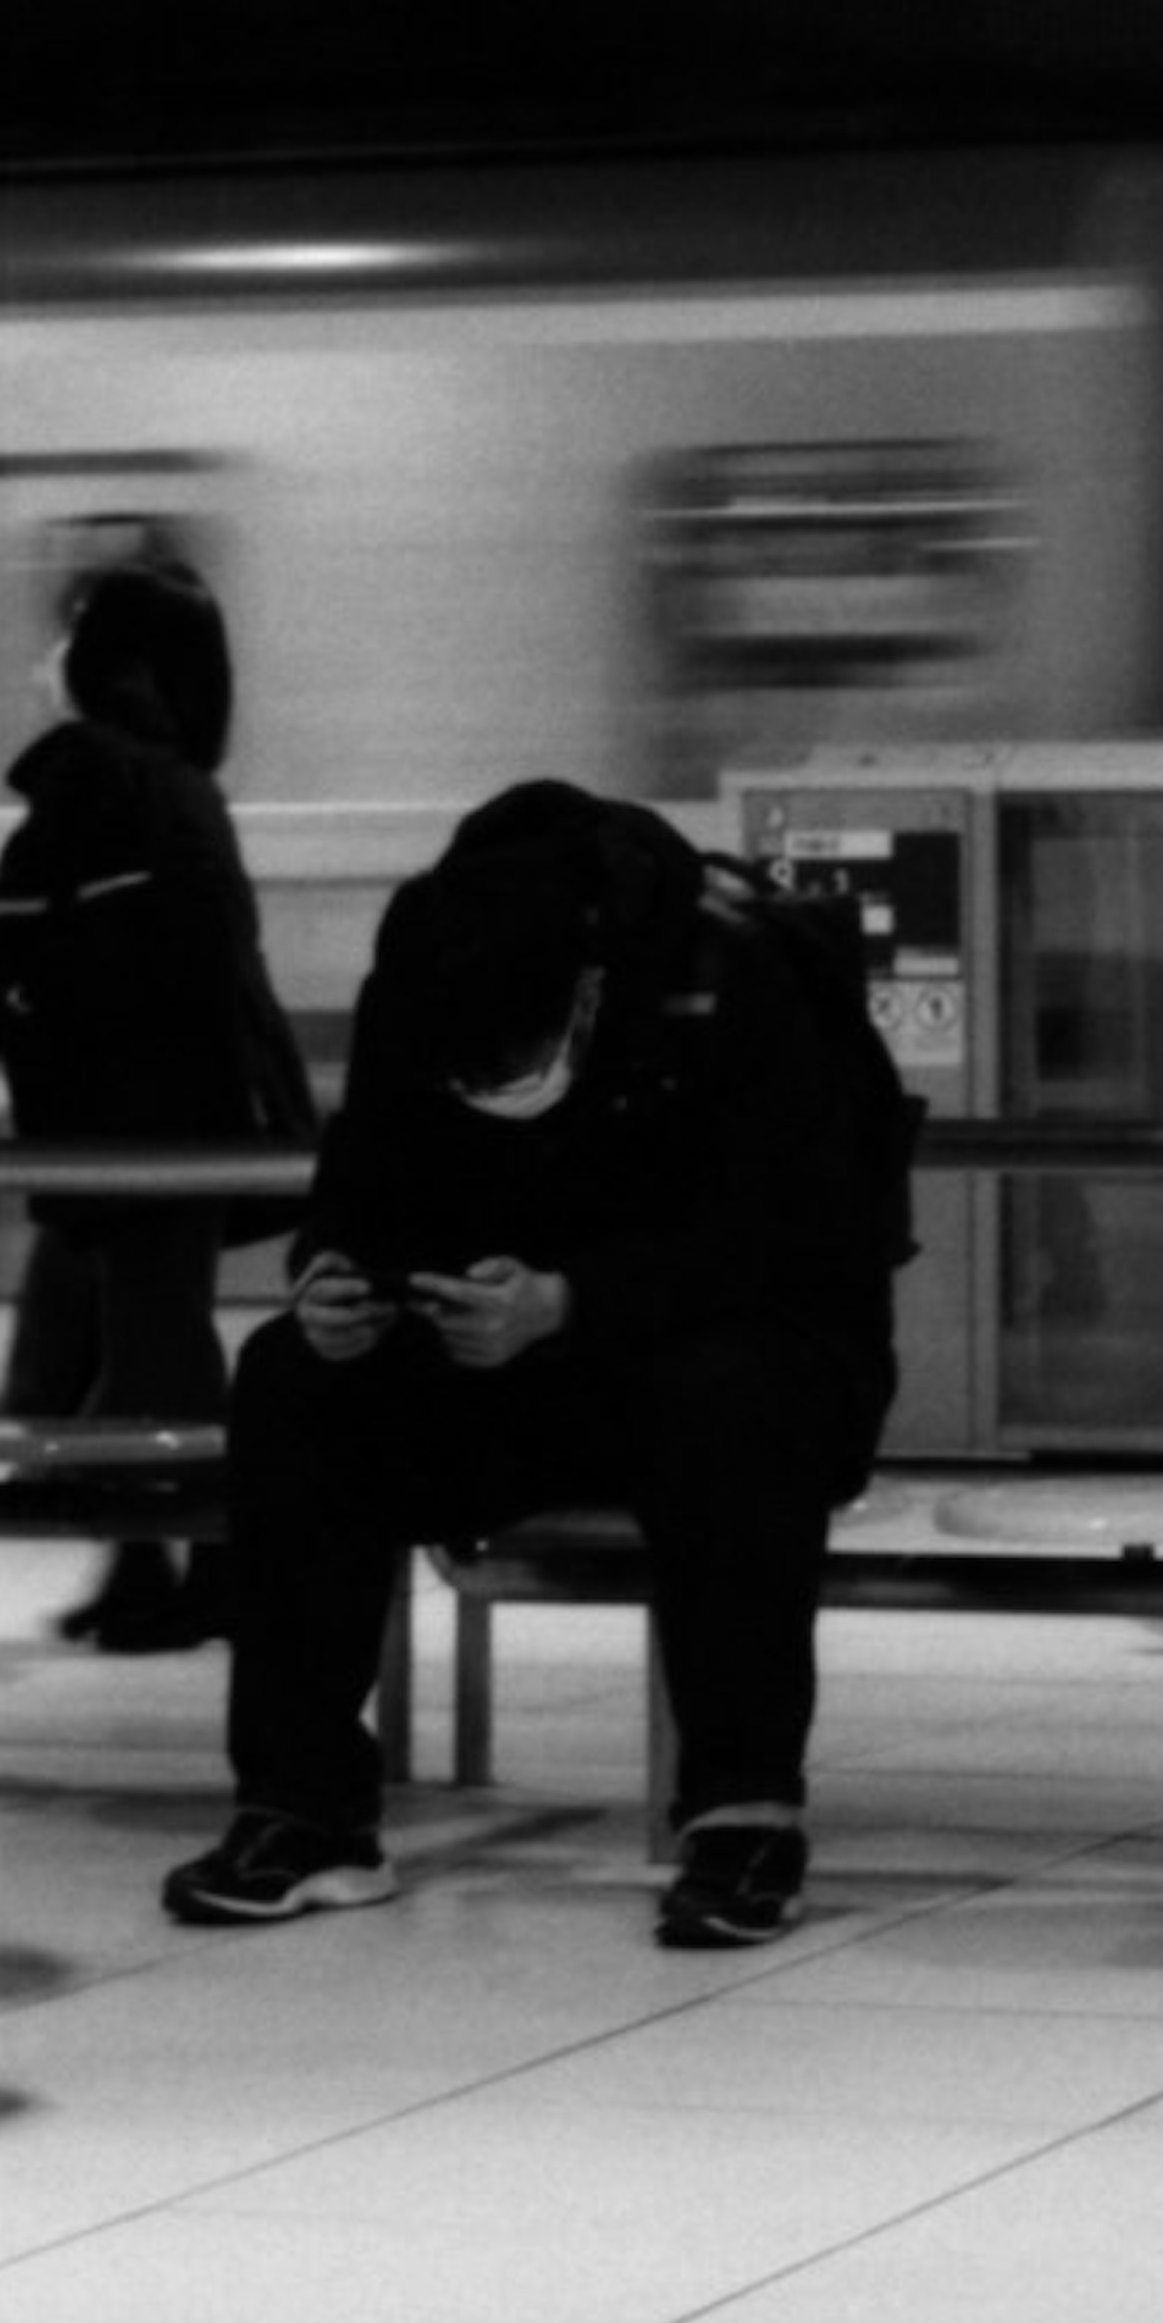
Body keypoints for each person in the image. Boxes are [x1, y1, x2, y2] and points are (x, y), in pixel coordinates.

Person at [164, 774, 893, 1950]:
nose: (486, 1088)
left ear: (591, 985)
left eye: (510, 1060)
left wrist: (574, 1301)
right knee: (295, 1381)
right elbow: (362, 1182)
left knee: (731, 1398)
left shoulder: (736, 973)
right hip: (504, 1354)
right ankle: (303, 1810)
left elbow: (805, 1239)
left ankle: (743, 1818)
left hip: (742, 1345)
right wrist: (334, 1279)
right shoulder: (429, 970)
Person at [0, 555, 308, 1653]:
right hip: (176, 1123)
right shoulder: (184, 789)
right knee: (104, 1342)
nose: (47, 659)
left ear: (112, 665)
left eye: (71, 636)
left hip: (133, 1136)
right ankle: (138, 1552)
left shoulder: (93, 773)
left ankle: (218, 1551)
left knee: (144, 1349)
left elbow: (8, 922)